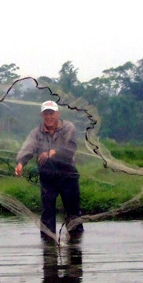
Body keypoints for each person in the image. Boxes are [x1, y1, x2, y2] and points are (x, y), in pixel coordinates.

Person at [15, 100, 83, 238]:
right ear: (42, 115)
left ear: (57, 114)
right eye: (46, 114)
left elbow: (70, 147)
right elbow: (28, 147)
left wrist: (53, 152)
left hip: (68, 175)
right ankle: (48, 245)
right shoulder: (37, 132)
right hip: (48, 177)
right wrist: (21, 163)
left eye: (51, 113)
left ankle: (76, 243)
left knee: (73, 212)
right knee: (47, 213)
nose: (49, 117)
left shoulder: (68, 127)